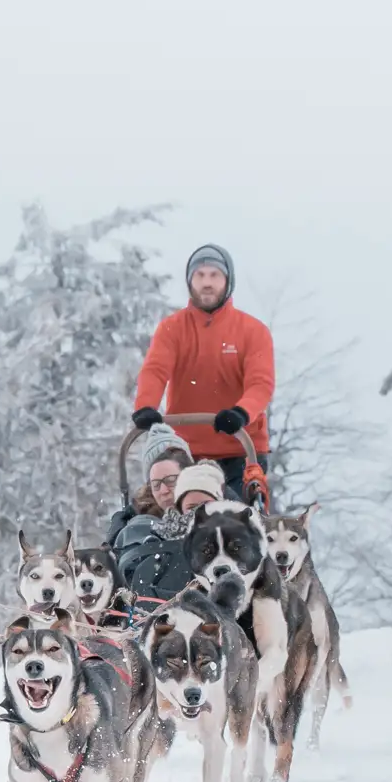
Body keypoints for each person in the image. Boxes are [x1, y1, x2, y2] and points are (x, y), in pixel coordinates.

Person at [129, 243, 273, 505]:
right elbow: (155, 369)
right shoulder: (173, 329)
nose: (207, 283)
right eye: (200, 275)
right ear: (190, 281)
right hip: (186, 451)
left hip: (240, 449)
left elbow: (260, 384)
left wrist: (241, 413)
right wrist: (146, 406)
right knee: (169, 509)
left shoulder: (252, 331)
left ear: (227, 281)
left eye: (214, 275)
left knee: (236, 516)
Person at [107, 427, 226, 602]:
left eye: (171, 481)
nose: (163, 491)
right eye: (156, 484)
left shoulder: (218, 502)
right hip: (159, 604)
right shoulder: (140, 521)